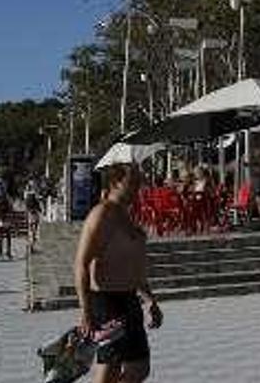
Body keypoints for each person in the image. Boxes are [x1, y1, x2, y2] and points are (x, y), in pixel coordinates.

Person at [74, 163, 162, 382]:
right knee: (110, 369)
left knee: (139, 368)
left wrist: (149, 299)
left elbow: (132, 264)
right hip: (106, 302)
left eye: (138, 183)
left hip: (129, 299)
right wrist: (86, 312)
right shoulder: (101, 214)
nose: (137, 188)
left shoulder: (126, 215)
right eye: (132, 183)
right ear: (114, 183)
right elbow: (81, 264)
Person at [0, 186, 14, 260]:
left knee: (1, 236)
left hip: (2, 219)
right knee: (7, 236)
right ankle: (7, 252)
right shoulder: (6, 200)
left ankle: (2, 253)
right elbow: (10, 209)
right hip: (5, 219)